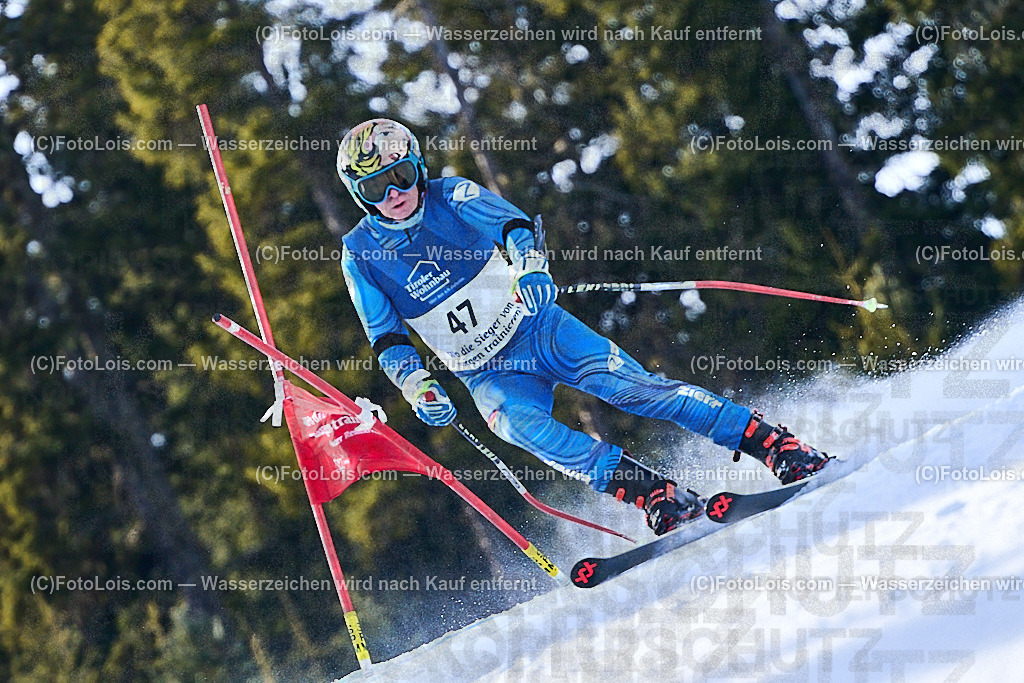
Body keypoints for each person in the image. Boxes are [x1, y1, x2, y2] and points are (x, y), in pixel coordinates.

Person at [337, 119, 830, 536]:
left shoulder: (452, 194)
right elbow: (387, 337)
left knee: (634, 391)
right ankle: (655, 494)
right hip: (487, 373)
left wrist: (530, 266)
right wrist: (416, 386)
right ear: (360, 196)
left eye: (401, 175)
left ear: (418, 167)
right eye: (377, 188)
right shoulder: (360, 255)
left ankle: (772, 443)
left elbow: (513, 226)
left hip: (540, 330)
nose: (395, 193)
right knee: (518, 428)